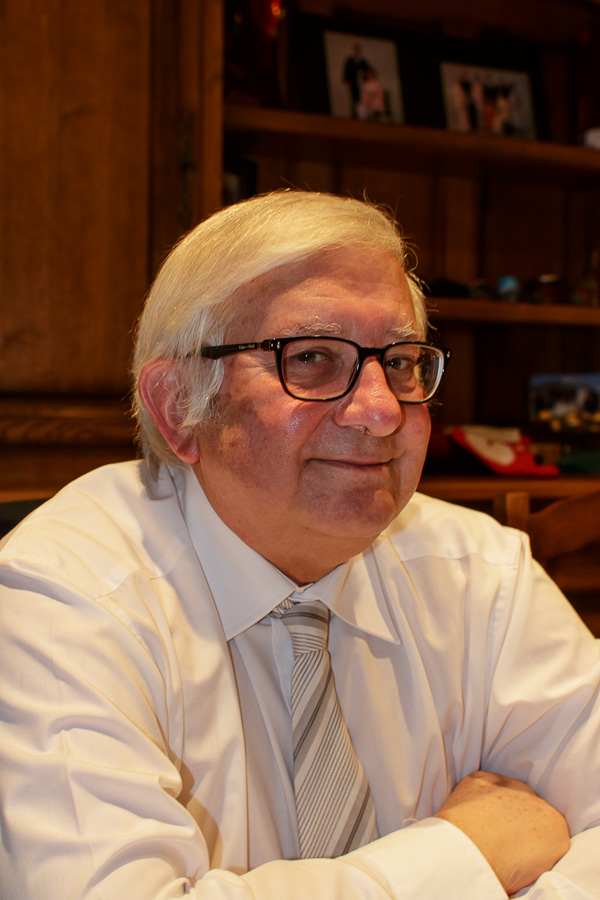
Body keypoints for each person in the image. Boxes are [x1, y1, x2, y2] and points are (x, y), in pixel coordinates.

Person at [0, 189, 599, 900]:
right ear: (178, 406)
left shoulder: (485, 574)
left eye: (401, 361)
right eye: (311, 357)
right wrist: (464, 856)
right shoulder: (60, 596)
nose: (381, 410)